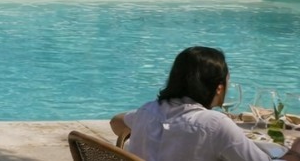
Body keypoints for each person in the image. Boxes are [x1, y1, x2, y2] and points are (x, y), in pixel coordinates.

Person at [111, 46, 300, 161]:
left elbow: (116, 122)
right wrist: (293, 152)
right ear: (219, 88)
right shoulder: (215, 124)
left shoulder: (148, 110)